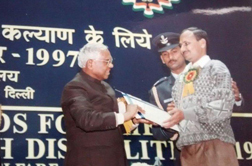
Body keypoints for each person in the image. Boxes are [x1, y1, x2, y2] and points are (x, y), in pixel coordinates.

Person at [162, 27, 239, 166]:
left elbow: (221, 109)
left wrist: (184, 114)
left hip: (215, 145)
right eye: (181, 45)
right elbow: (181, 117)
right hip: (187, 151)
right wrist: (166, 118)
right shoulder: (180, 80)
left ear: (202, 43)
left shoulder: (216, 67)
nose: (183, 49)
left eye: (187, 43)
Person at [61, 42, 143, 166]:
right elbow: (87, 120)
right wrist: (125, 116)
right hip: (89, 160)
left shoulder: (106, 87)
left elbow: (110, 125)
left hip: (115, 159)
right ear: (90, 63)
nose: (111, 65)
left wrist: (132, 120)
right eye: (106, 61)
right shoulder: (74, 87)